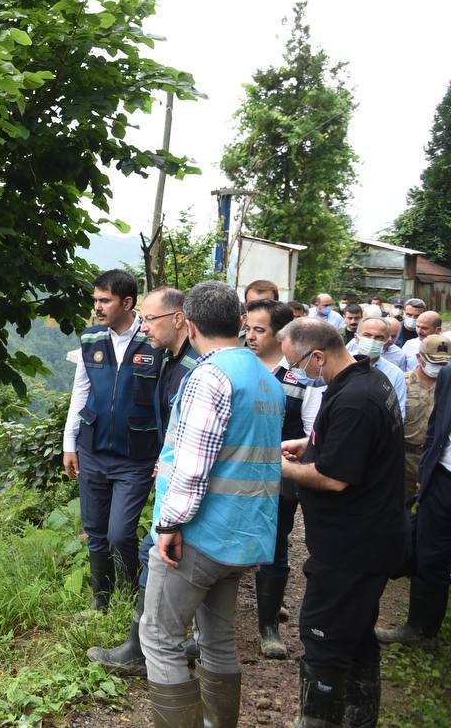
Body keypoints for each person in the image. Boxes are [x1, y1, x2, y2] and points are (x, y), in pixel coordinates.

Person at [140, 281, 283, 727]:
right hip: (242, 536)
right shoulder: (264, 377)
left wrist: (168, 525)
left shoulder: (209, 377)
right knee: (218, 638)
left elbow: (192, 466)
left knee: (160, 637)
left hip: (197, 536)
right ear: (240, 321)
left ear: (191, 324)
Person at [279, 318, 406, 728]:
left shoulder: (355, 399)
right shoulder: (366, 381)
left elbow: (335, 477)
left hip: (352, 545)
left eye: (297, 364)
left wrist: (278, 467)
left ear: (317, 355)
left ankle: (320, 718)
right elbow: (351, 444)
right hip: (370, 537)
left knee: (324, 640)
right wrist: (306, 444)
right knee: (358, 634)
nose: (297, 374)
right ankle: (359, 717)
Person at [87, 287, 200, 676]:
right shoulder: (173, 359)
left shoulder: (192, 367)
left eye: (150, 320)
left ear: (180, 318)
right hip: (163, 471)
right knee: (153, 551)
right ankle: (174, 641)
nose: (144, 328)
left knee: (155, 551)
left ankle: (148, 650)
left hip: (182, 483)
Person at [64, 270, 166, 610]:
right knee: (95, 531)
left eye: (104, 300)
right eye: (95, 300)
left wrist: (164, 455)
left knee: (120, 533)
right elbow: (80, 391)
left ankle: (134, 591)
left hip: (136, 456)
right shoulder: (91, 339)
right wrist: (70, 443)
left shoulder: (154, 342)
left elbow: (167, 403)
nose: (97, 307)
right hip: (92, 449)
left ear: (127, 302)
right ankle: (101, 600)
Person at [245, 299, 322, 660]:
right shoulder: (236, 367)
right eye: (248, 328)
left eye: (259, 330)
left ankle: (268, 627)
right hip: (234, 477)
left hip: (279, 481)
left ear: (279, 333)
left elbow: (312, 434)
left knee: (275, 546)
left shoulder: (300, 380)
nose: (251, 336)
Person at [377, 355, 451, 652]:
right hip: (442, 478)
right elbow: (437, 426)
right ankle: (421, 628)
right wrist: (425, 472)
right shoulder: (448, 375)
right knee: (429, 555)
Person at [398, 334, 451, 501]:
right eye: (435, 362)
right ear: (419, 358)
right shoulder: (402, 382)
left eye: (445, 363)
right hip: (405, 458)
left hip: (436, 460)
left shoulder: (447, 387)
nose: (440, 367)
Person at [349, 317, 410, 416]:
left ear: (387, 341)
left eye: (379, 337)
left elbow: (398, 413)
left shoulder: (395, 373)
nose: (372, 340)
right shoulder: (341, 364)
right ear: (356, 338)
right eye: (367, 335)